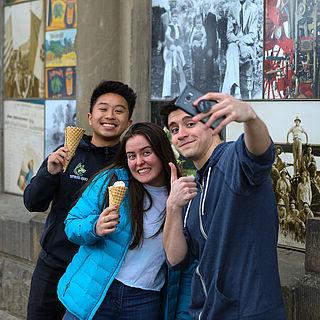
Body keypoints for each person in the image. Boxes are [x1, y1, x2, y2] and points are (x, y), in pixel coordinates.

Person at [160, 92, 286, 319]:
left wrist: (250, 118)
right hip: (209, 311)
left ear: (213, 124)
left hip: (250, 311)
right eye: (175, 129)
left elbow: (260, 154)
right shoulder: (195, 186)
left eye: (190, 123)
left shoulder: (232, 159)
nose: (181, 134)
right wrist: (173, 207)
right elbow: (175, 258)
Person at [23, 80, 137, 320]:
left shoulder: (131, 163)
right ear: (89, 116)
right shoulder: (66, 153)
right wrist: (49, 172)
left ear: (129, 122)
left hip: (95, 273)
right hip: (55, 264)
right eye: (103, 109)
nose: (110, 116)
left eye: (119, 111)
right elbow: (33, 203)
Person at [57, 123, 195, 320]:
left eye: (146, 153)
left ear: (162, 152)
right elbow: (71, 225)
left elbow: (183, 262)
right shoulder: (112, 180)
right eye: (132, 156)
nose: (139, 162)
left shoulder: (183, 195)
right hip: (97, 290)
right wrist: (95, 226)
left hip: (144, 299)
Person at [222, 0, 258, 99]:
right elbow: (229, 35)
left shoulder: (253, 8)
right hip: (235, 45)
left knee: (231, 52)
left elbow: (252, 35)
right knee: (232, 49)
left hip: (247, 46)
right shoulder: (232, 8)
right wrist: (237, 42)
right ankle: (237, 90)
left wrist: (240, 41)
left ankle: (228, 92)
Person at [188, 14, 207, 86]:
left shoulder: (203, 28)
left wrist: (202, 41)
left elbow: (205, 35)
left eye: (200, 23)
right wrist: (191, 44)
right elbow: (191, 37)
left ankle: (197, 79)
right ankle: (197, 79)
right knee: (196, 45)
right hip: (196, 48)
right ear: (195, 23)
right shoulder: (194, 29)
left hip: (202, 45)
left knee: (204, 42)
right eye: (197, 23)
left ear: (202, 23)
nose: (199, 25)